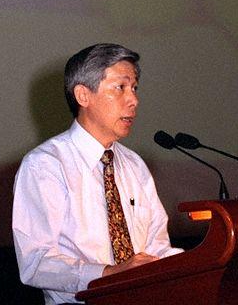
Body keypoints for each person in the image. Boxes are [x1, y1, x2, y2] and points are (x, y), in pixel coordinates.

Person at [12, 43, 182, 304]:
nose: (134, 100)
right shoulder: (45, 165)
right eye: (120, 87)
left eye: (134, 88)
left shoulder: (134, 165)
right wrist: (108, 275)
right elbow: (37, 262)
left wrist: (203, 262)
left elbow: (156, 248)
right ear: (83, 95)